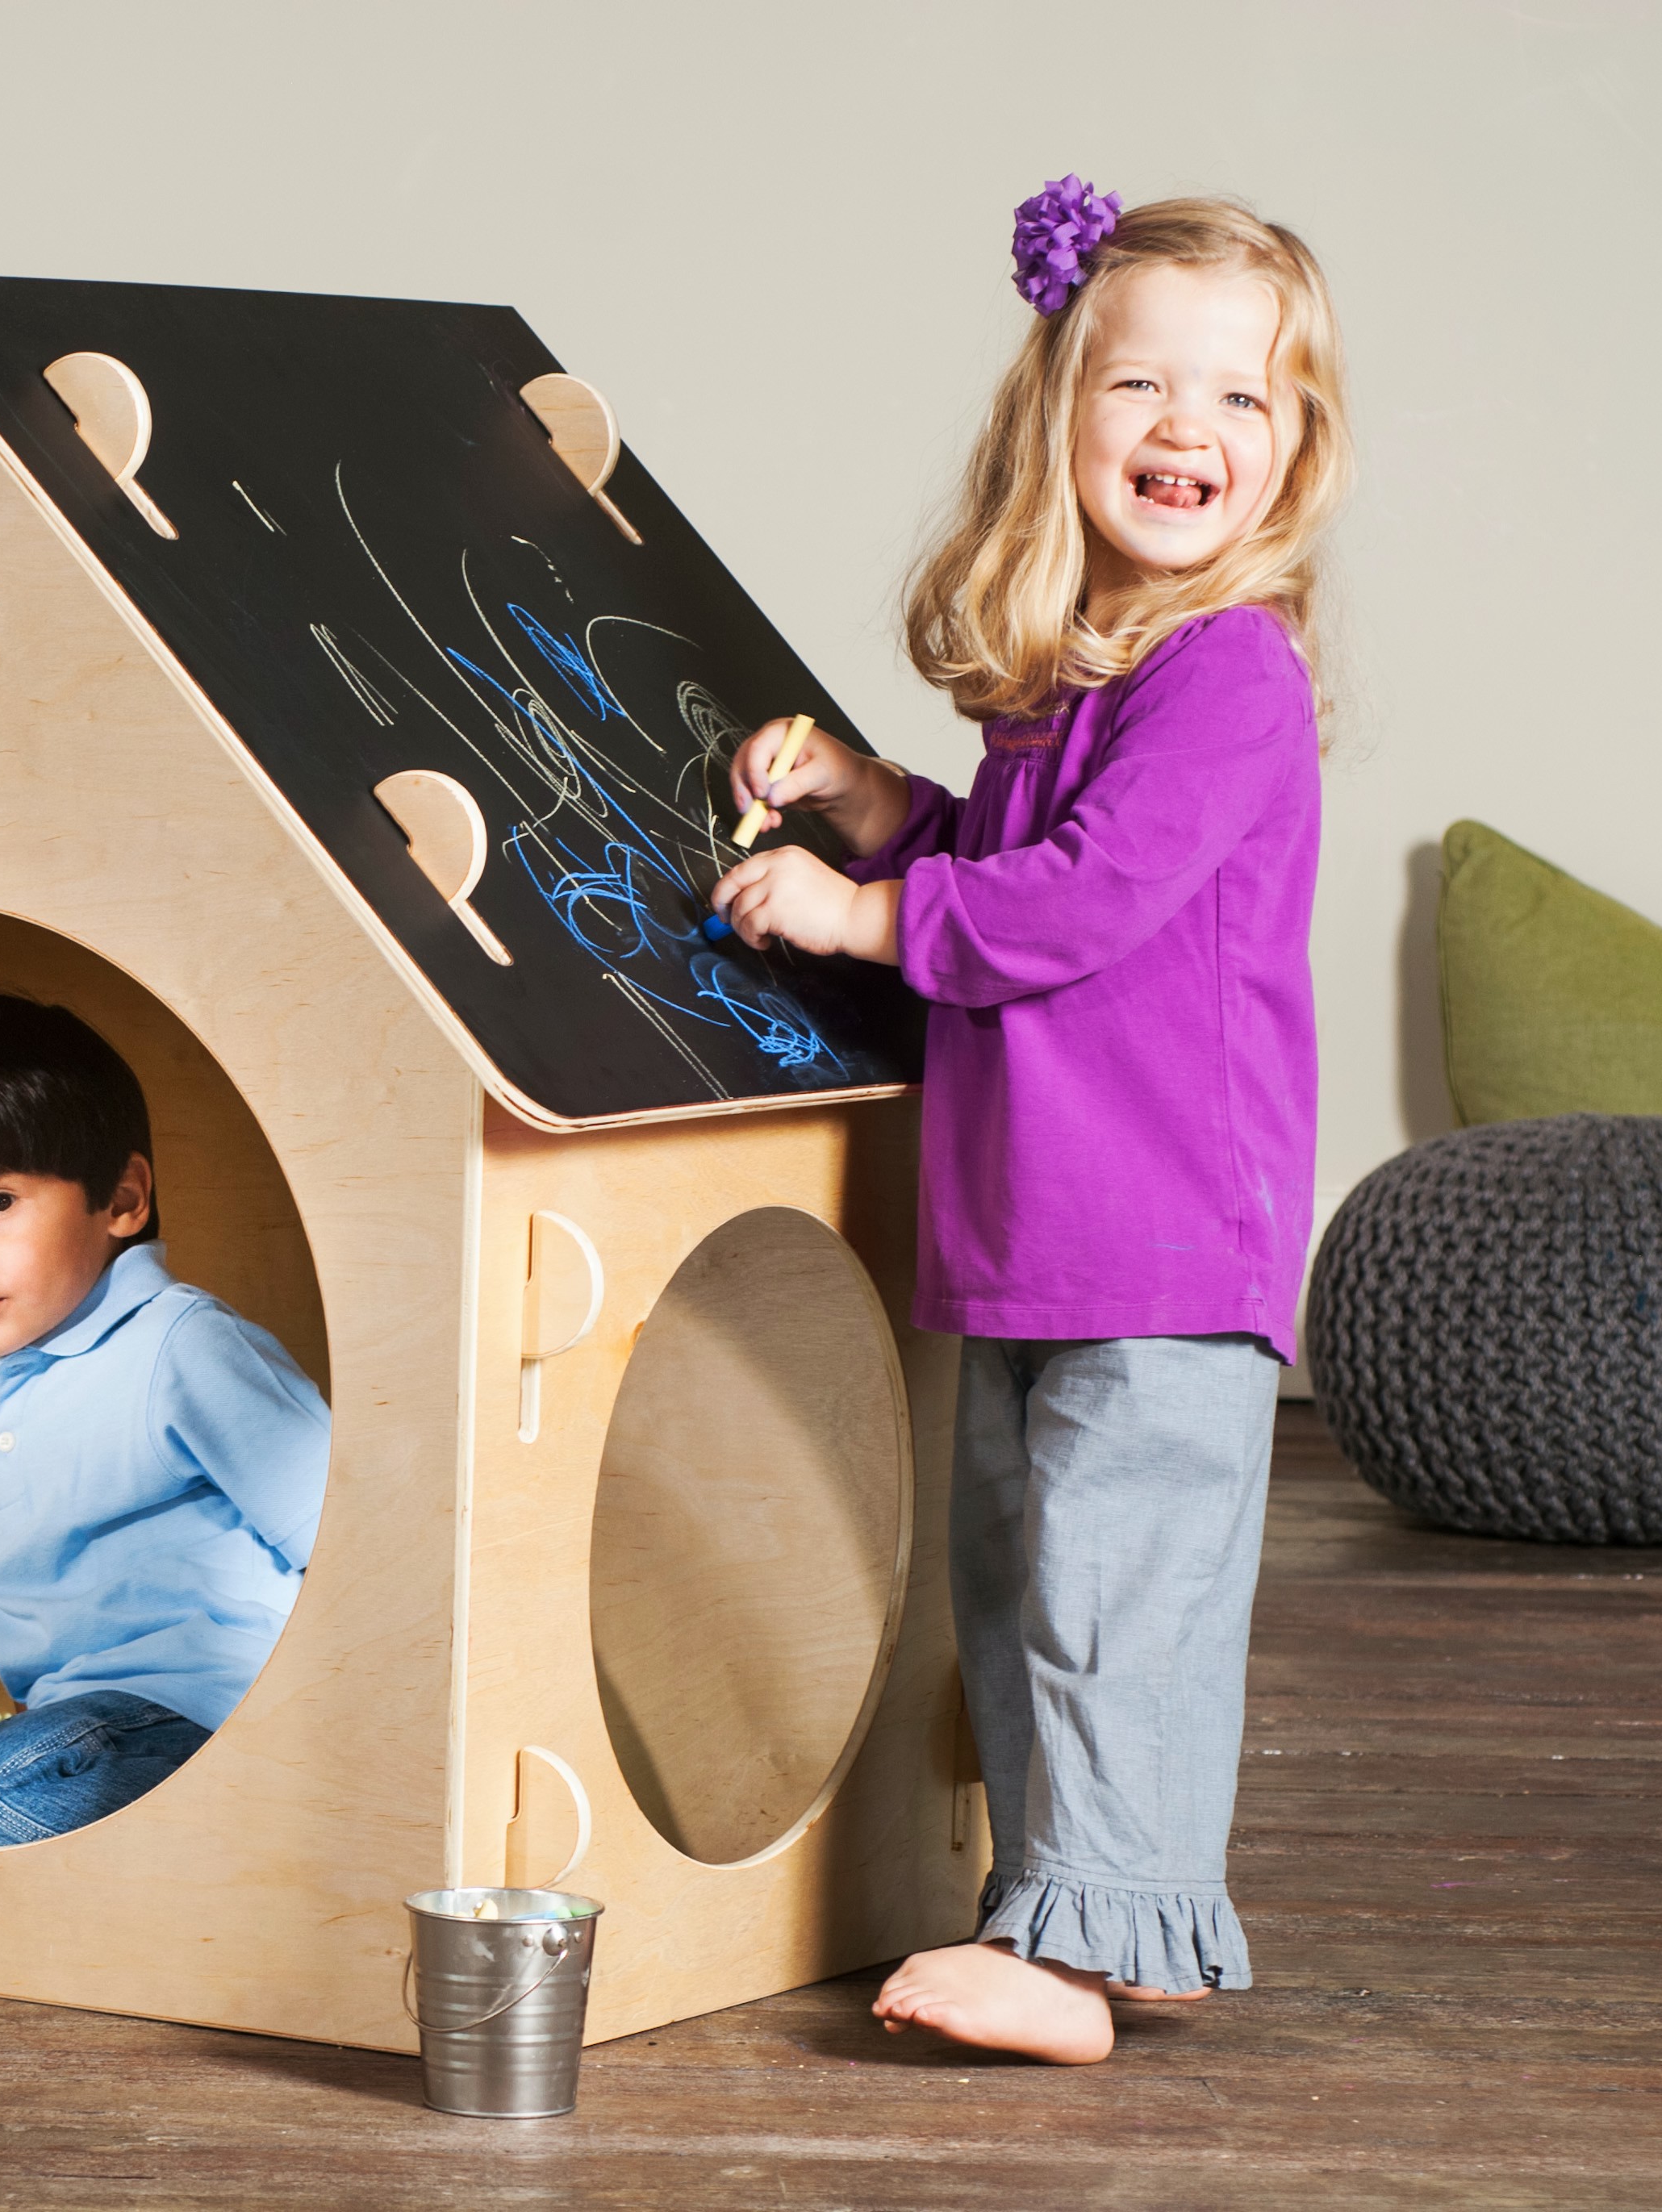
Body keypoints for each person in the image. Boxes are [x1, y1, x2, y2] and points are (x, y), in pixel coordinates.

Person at [709, 183, 1353, 2063]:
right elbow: (1008, 856)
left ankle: (1069, 1961)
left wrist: (856, 916)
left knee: (1107, 1590)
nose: (1185, 427)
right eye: (1138, 382)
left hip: (1160, 1231)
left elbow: (1080, 903)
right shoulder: (1082, 669)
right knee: (1019, 1580)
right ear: (1056, 411)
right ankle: (1113, 1912)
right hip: (1036, 1224)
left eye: (1238, 398)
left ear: (1292, 448)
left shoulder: (1228, 672)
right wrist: (872, 807)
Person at [0, 994, 330, 1849]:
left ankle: (0, 1824)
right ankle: (4, 1812)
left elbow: (352, 1539)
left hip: (205, 1714)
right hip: (73, 1725)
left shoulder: (181, 1344)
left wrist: (312, 1730)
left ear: (120, 1199)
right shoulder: (7, 1374)